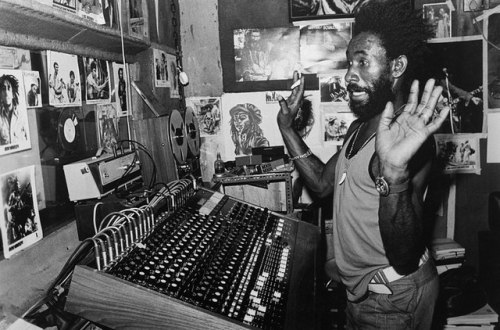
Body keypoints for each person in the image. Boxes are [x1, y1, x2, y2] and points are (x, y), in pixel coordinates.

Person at [277, 0, 450, 328]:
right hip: (364, 296)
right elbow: (323, 184)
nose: (349, 75)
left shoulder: (411, 142)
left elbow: (404, 256)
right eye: (348, 63)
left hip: (394, 299)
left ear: (397, 66)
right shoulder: (360, 127)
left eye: (362, 62)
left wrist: (394, 174)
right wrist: (288, 129)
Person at [0, 74, 28, 146]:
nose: (6, 93)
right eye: (3, 89)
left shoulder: (22, 116)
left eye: (9, 88)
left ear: (13, 94)